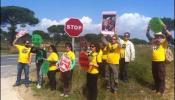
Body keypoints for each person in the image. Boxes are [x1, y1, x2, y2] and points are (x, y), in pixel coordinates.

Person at [146, 24, 172, 96]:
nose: (158, 37)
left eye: (159, 36)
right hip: (153, 61)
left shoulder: (164, 42)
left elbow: (170, 37)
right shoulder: (153, 41)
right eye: (156, 36)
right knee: (155, 75)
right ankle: (156, 87)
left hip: (161, 62)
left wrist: (165, 29)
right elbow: (147, 35)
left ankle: (161, 90)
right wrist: (148, 28)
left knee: (161, 76)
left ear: (162, 37)